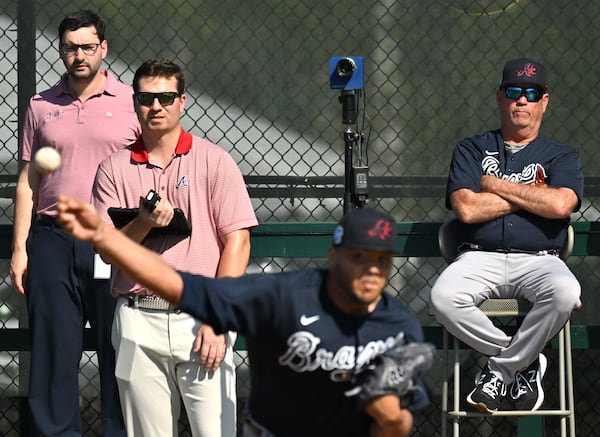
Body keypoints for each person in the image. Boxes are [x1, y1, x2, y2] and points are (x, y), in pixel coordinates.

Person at [56, 201, 429, 437]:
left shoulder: (399, 328)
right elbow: (180, 286)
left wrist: (391, 421)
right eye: (359, 257)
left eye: (381, 259)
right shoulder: (282, 297)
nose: (372, 270)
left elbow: (399, 425)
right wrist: (106, 239)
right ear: (334, 254)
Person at [91, 58, 258, 436]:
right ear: (134, 102)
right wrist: (145, 222)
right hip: (137, 316)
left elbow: (238, 241)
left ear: (183, 101)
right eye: (147, 98)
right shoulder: (113, 168)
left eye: (166, 97)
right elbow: (108, 252)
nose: (156, 106)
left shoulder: (216, 161)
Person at [9, 10, 140, 436]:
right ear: (61, 50)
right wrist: (19, 248)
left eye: (87, 46)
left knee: (118, 348)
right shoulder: (40, 106)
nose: (78, 55)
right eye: (70, 47)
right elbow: (28, 182)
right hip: (51, 240)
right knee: (52, 353)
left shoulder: (132, 103)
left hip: (113, 239)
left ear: (103, 48)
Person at [429, 58, 583, 414]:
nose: (522, 100)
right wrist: (533, 195)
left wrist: (494, 186)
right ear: (500, 97)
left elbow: (560, 205)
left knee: (565, 292)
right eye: (514, 92)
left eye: (532, 93)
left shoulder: (561, 155)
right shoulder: (471, 149)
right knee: (442, 298)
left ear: (545, 101)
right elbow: (467, 209)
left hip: (540, 259)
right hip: (478, 255)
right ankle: (524, 364)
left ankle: (500, 371)